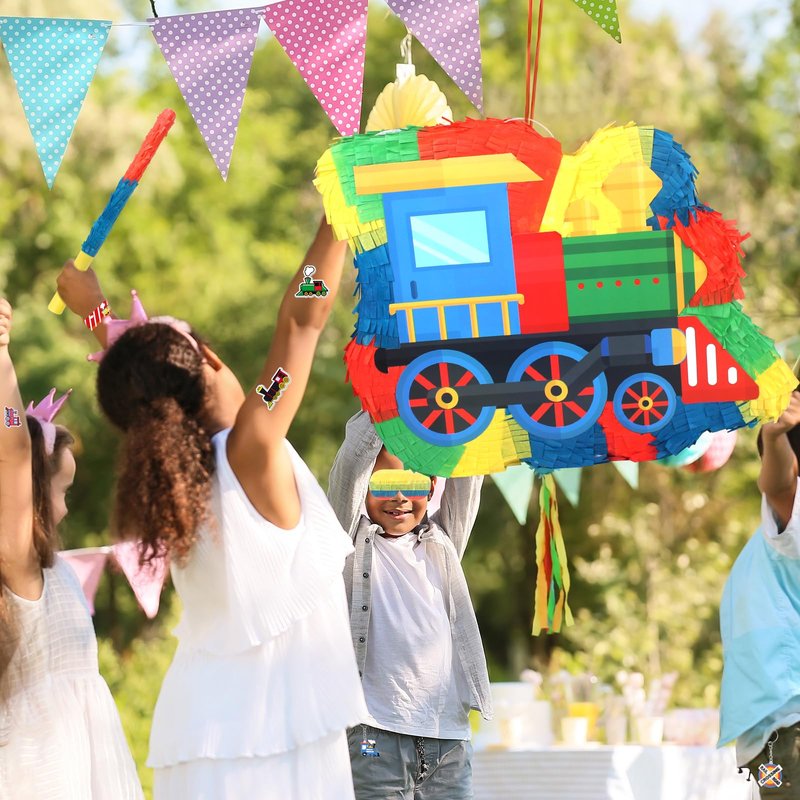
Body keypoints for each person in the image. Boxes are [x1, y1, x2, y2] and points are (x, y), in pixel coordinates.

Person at [56, 217, 368, 800]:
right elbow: (303, 320)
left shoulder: (180, 478)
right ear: (208, 359)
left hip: (201, 742)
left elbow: (149, 384)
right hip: (273, 749)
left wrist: (97, 313)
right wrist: (336, 216)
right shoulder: (253, 444)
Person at [0, 298, 143, 799]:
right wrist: (1, 353)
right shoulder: (22, 568)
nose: (64, 509)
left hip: (85, 767)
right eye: (60, 492)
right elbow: (13, 448)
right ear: (29, 495)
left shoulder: (50, 570)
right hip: (43, 774)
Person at [327, 410, 493, 800]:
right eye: (385, 484)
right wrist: (389, 400)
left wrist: (461, 402)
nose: (400, 497)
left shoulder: (444, 542)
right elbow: (352, 460)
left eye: (413, 483)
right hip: (374, 733)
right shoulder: (348, 542)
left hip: (447, 739)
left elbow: (470, 472)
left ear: (432, 487)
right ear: (365, 488)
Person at [719, 386, 800, 796]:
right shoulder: (771, 539)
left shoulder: (786, 524)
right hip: (776, 738)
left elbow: (780, 487)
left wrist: (774, 436)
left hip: (788, 735)